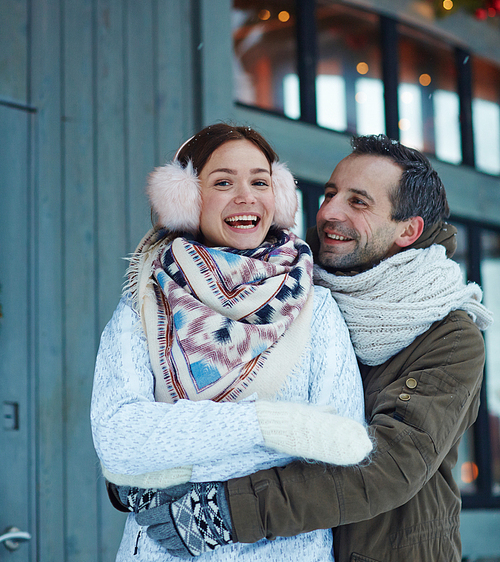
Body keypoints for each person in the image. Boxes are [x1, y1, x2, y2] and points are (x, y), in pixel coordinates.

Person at [144, 134, 493, 562]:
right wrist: (151, 467)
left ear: (409, 230)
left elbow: (390, 463)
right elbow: (222, 388)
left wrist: (225, 510)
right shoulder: (285, 285)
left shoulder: (450, 335)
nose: (329, 212)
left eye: (358, 202)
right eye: (330, 193)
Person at [90, 123, 372, 562]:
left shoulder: (315, 310)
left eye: (260, 182)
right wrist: (269, 426)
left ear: (277, 197)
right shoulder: (144, 306)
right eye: (223, 182)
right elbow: (118, 439)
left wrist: (177, 469)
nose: (246, 196)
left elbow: (340, 448)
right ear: (187, 199)